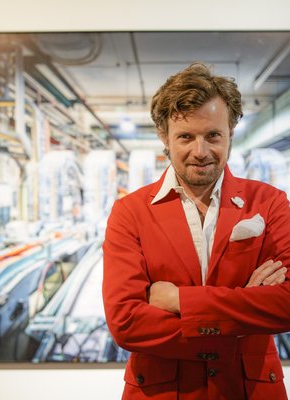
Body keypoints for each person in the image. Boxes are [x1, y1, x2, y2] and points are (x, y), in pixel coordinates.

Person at [102, 63, 290, 400]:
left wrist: (179, 300)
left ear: (230, 133)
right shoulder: (129, 212)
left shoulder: (269, 202)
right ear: (164, 136)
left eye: (213, 136)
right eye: (186, 137)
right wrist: (238, 322)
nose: (200, 152)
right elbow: (125, 322)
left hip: (249, 390)